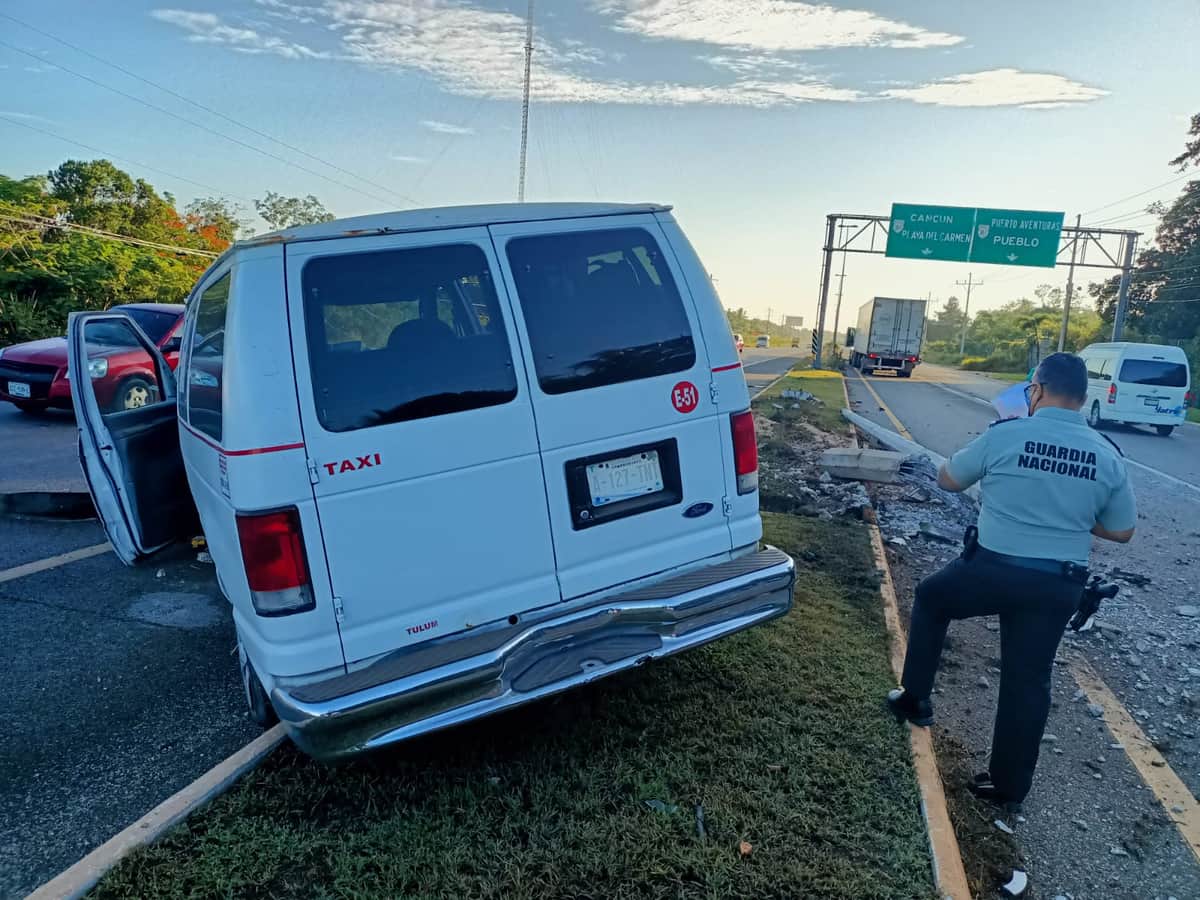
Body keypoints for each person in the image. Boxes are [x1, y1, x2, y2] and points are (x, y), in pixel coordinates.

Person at [886, 352, 1136, 810]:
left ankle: (915, 699)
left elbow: (948, 480)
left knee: (933, 598)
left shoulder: (1008, 434)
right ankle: (1006, 788)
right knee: (1028, 680)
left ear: (1037, 390)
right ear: (1082, 398)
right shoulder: (1106, 453)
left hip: (990, 570)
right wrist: (1074, 517)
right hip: (1057, 584)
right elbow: (1121, 530)